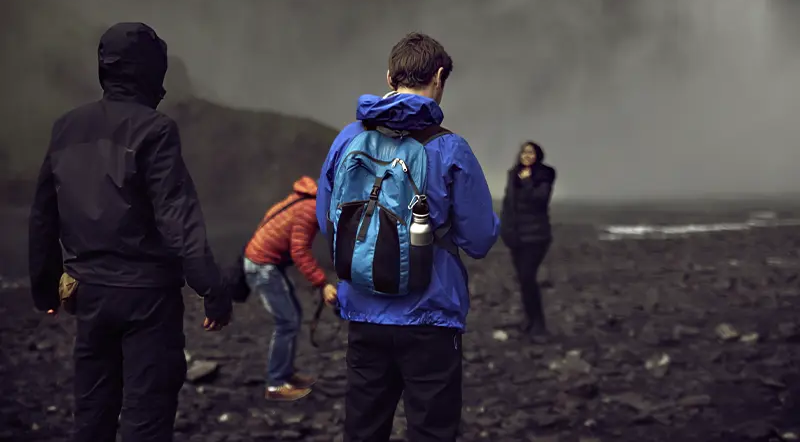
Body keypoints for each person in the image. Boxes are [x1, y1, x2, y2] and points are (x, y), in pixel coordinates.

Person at [28, 22, 232, 442]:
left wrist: (44, 288)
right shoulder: (155, 130)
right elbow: (177, 217)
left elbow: (43, 213)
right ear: (152, 73)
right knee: (147, 416)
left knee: (92, 413)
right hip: (148, 301)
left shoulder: (66, 127)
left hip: (91, 295)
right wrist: (211, 289)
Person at [317, 32, 499, 442]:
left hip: (363, 310)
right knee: (432, 430)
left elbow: (328, 222)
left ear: (388, 76)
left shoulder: (348, 139)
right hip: (431, 314)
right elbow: (480, 238)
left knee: (363, 430)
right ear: (438, 78)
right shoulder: (450, 148)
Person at [242, 176, 338, 401]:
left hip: (266, 264)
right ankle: (276, 384)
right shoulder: (309, 209)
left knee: (292, 318)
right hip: (263, 267)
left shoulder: (304, 200)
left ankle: (285, 374)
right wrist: (322, 283)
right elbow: (299, 251)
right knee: (287, 322)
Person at [500, 141, 557, 341]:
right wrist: (504, 229)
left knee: (527, 277)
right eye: (524, 152)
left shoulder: (545, 174)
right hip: (517, 236)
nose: (527, 155)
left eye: (531, 152)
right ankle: (530, 321)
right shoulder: (513, 174)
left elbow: (540, 199)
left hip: (537, 236)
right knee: (524, 281)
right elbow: (509, 204)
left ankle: (538, 323)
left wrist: (527, 182)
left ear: (538, 155)